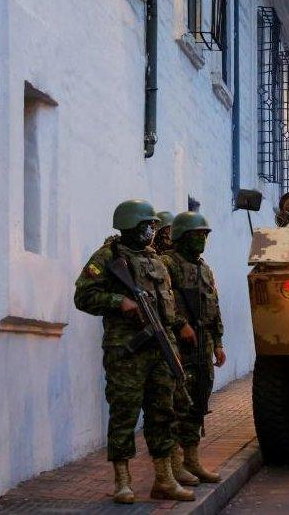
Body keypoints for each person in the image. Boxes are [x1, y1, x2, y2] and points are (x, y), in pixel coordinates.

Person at [74, 200, 195, 504]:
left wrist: (173, 349)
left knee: (162, 412)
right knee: (124, 413)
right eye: (148, 225)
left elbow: (167, 308)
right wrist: (119, 302)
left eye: (154, 225)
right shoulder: (108, 257)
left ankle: (165, 478)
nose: (153, 231)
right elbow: (83, 295)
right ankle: (122, 480)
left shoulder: (156, 260)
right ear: (131, 225)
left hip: (160, 348)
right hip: (126, 352)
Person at [162, 212, 225, 486]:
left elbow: (214, 306)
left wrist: (219, 342)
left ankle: (192, 459)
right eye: (197, 235)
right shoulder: (167, 264)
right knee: (179, 404)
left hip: (204, 343)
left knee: (199, 401)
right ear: (183, 237)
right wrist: (180, 324)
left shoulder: (204, 269)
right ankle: (175, 465)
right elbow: (162, 301)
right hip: (179, 345)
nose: (202, 239)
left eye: (205, 235)